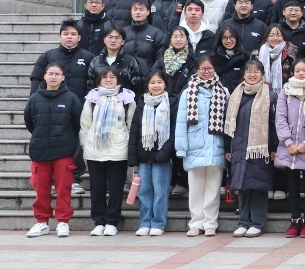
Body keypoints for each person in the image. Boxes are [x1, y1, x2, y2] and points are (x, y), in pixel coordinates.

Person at [25, 63, 82, 239]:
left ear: (63, 77)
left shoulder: (71, 98)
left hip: (63, 151)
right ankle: (42, 222)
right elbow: (29, 122)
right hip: (40, 150)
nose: (53, 77)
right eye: (50, 73)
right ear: (44, 76)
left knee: (63, 189)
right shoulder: (35, 98)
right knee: (41, 189)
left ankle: (63, 222)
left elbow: (77, 123)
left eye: (57, 74)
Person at [80, 65, 136, 236]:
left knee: (116, 188)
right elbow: (85, 125)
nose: (108, 80)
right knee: (97, 188)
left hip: (118, 150)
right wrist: (85, 148)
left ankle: (112, 221)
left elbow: (132, 125)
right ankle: (99, 221)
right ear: (99, 80)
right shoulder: (92, 98)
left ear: (118, 80)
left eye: (112, 77)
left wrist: (130, 148)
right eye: (105, 77)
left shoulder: (127, 99)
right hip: (95, 150)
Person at [224, 59, 277, 239]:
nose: (252, 75)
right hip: (239, 146)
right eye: (249, 71)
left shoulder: (270, 96)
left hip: (261, 147)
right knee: (242, 186)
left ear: (263, 75)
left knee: (258, 185)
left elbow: (274, 125)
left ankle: (257, 223)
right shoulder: (236, 95)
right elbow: (228, 124)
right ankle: (243, 222)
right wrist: (228, 148)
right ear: (244, 74)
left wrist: (274, 147)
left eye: (256, 71)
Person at [177, 57, 229, 237]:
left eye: (209, 68)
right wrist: (181, 147)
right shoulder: (188, 92)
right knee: (195, 188)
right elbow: (181, 123)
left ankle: (210, 223)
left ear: (215, 69)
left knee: (213, 189)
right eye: (203, 69)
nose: (206, 72)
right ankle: (196, 223)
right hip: (194, 145)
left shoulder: (223, 91)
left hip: (216, 144)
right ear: (197, 70)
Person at [275, 58, 305, 238]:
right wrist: (288, 142)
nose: (301, 73)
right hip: (289, 147)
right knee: (293, 186)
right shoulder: (286, 90)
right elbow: (280, 117)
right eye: (297, 70)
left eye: (304, 70)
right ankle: (295, 220)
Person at [128, 71, 176, 237]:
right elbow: (134, 130)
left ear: (165, 85)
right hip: (143, 154)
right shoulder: (142, 102)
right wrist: (133, 156)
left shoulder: (172, 102)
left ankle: (158, 223)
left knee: (160, 191)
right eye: (152, 82)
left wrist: (164, 152)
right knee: (144, 191)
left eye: (159, 82)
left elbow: (174, 130)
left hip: (163, 156)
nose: (156, 85)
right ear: (147, 85)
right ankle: (144, 222)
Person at [31, 19, 94, 94]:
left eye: (73, 34)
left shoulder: (88, 57)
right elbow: (36, 80)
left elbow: (94, 82)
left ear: (79, 37)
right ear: (60, 37)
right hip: (53, 99)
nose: (69, 37)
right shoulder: (48, 56)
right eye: (65, 34)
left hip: (80, 100)